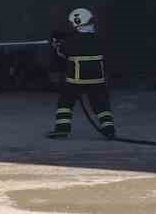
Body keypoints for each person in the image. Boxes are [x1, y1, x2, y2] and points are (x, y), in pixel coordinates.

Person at [48, 7, 115, 139]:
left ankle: (62, 130)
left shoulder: (71, 40)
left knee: (65, 102)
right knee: (101, 104)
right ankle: (109, 129)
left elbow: (63, 53)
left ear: (76, 22)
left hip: (75, 79)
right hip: (97, 79)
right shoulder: (99, 39)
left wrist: (56, 45)